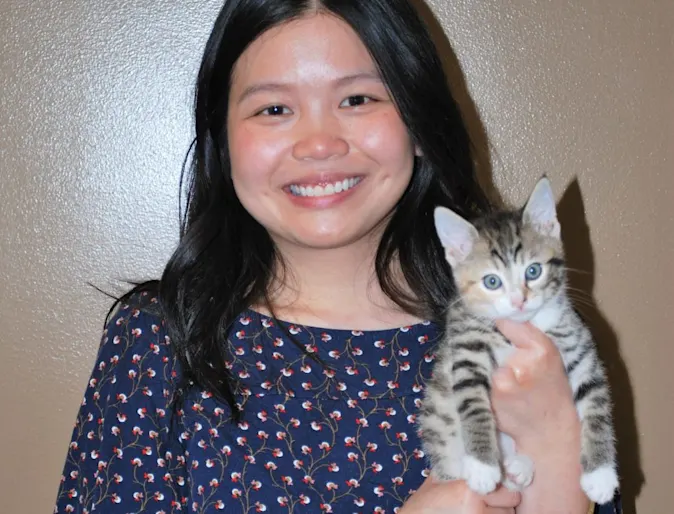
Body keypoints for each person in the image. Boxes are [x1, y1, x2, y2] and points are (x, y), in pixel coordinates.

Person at [54, 1, 622, 512]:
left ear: (419, 124)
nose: (319, 143)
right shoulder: (159, 340)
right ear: (224, 144)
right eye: (274, 109)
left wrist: (556, 440)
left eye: (358, 98)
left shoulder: (525, 328)